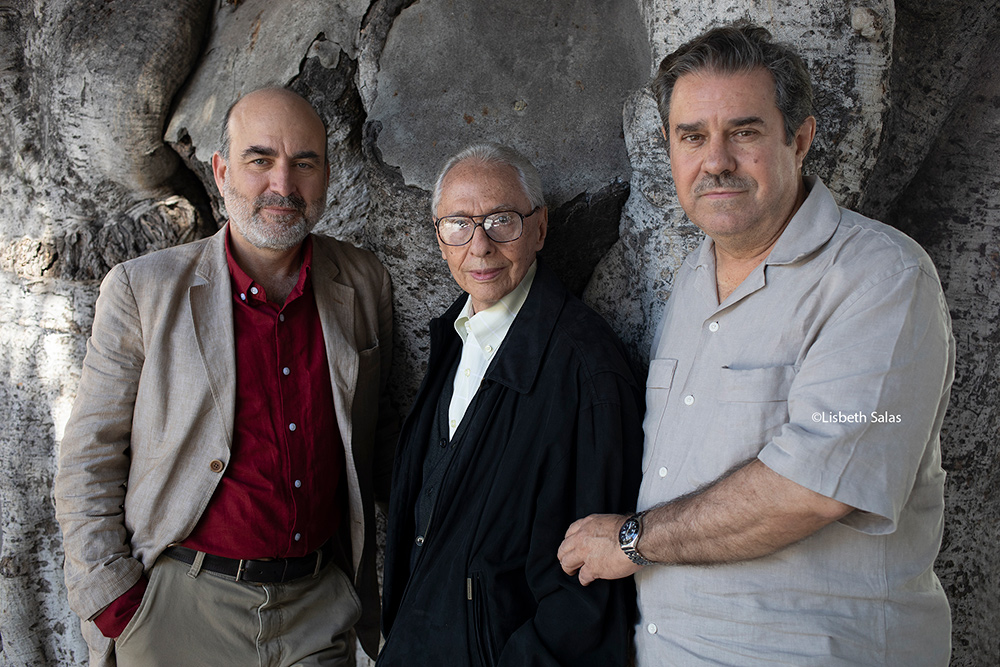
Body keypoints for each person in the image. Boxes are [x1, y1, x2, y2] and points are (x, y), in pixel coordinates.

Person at [558, 23, 955, 666]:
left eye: (743, 132)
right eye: (692, 137)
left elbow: (814, 488)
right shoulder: (692, 281)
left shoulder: (880, 278)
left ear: (799, 139)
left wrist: (634, 541)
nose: (715, 161)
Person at [54, 87, 396, 667]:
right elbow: (90, 455)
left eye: (304, 162)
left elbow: (378, 431)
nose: (283, 184)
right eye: (259, 159)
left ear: (326, 175)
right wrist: (115, 602)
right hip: (178, 612)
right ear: (220, 171)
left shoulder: (363, 281)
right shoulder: (142, 290)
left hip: (317, 609)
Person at [377, 143, 644, 666]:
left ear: (540, 228)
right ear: (439, 238)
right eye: (459, 224)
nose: (480, 246)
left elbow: (587, 595)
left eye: (502, 220)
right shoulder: (455, 336)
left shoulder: (587, 371)